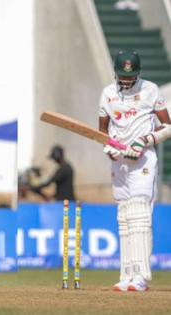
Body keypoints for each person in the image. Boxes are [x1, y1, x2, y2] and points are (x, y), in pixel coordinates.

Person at [100, 50, 171, 292]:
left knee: (140, 214)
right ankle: (126, 274)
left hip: (142, 161)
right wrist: (107, 146)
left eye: (131, 77)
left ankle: (141, 277)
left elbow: (168, 126)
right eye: (122, 77)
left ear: (138, 74)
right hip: (119, 163)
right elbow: (102, 132)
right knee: (124, 217)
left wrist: (146, 140)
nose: (127, 82)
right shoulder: (108, 94)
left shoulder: (150, 90)